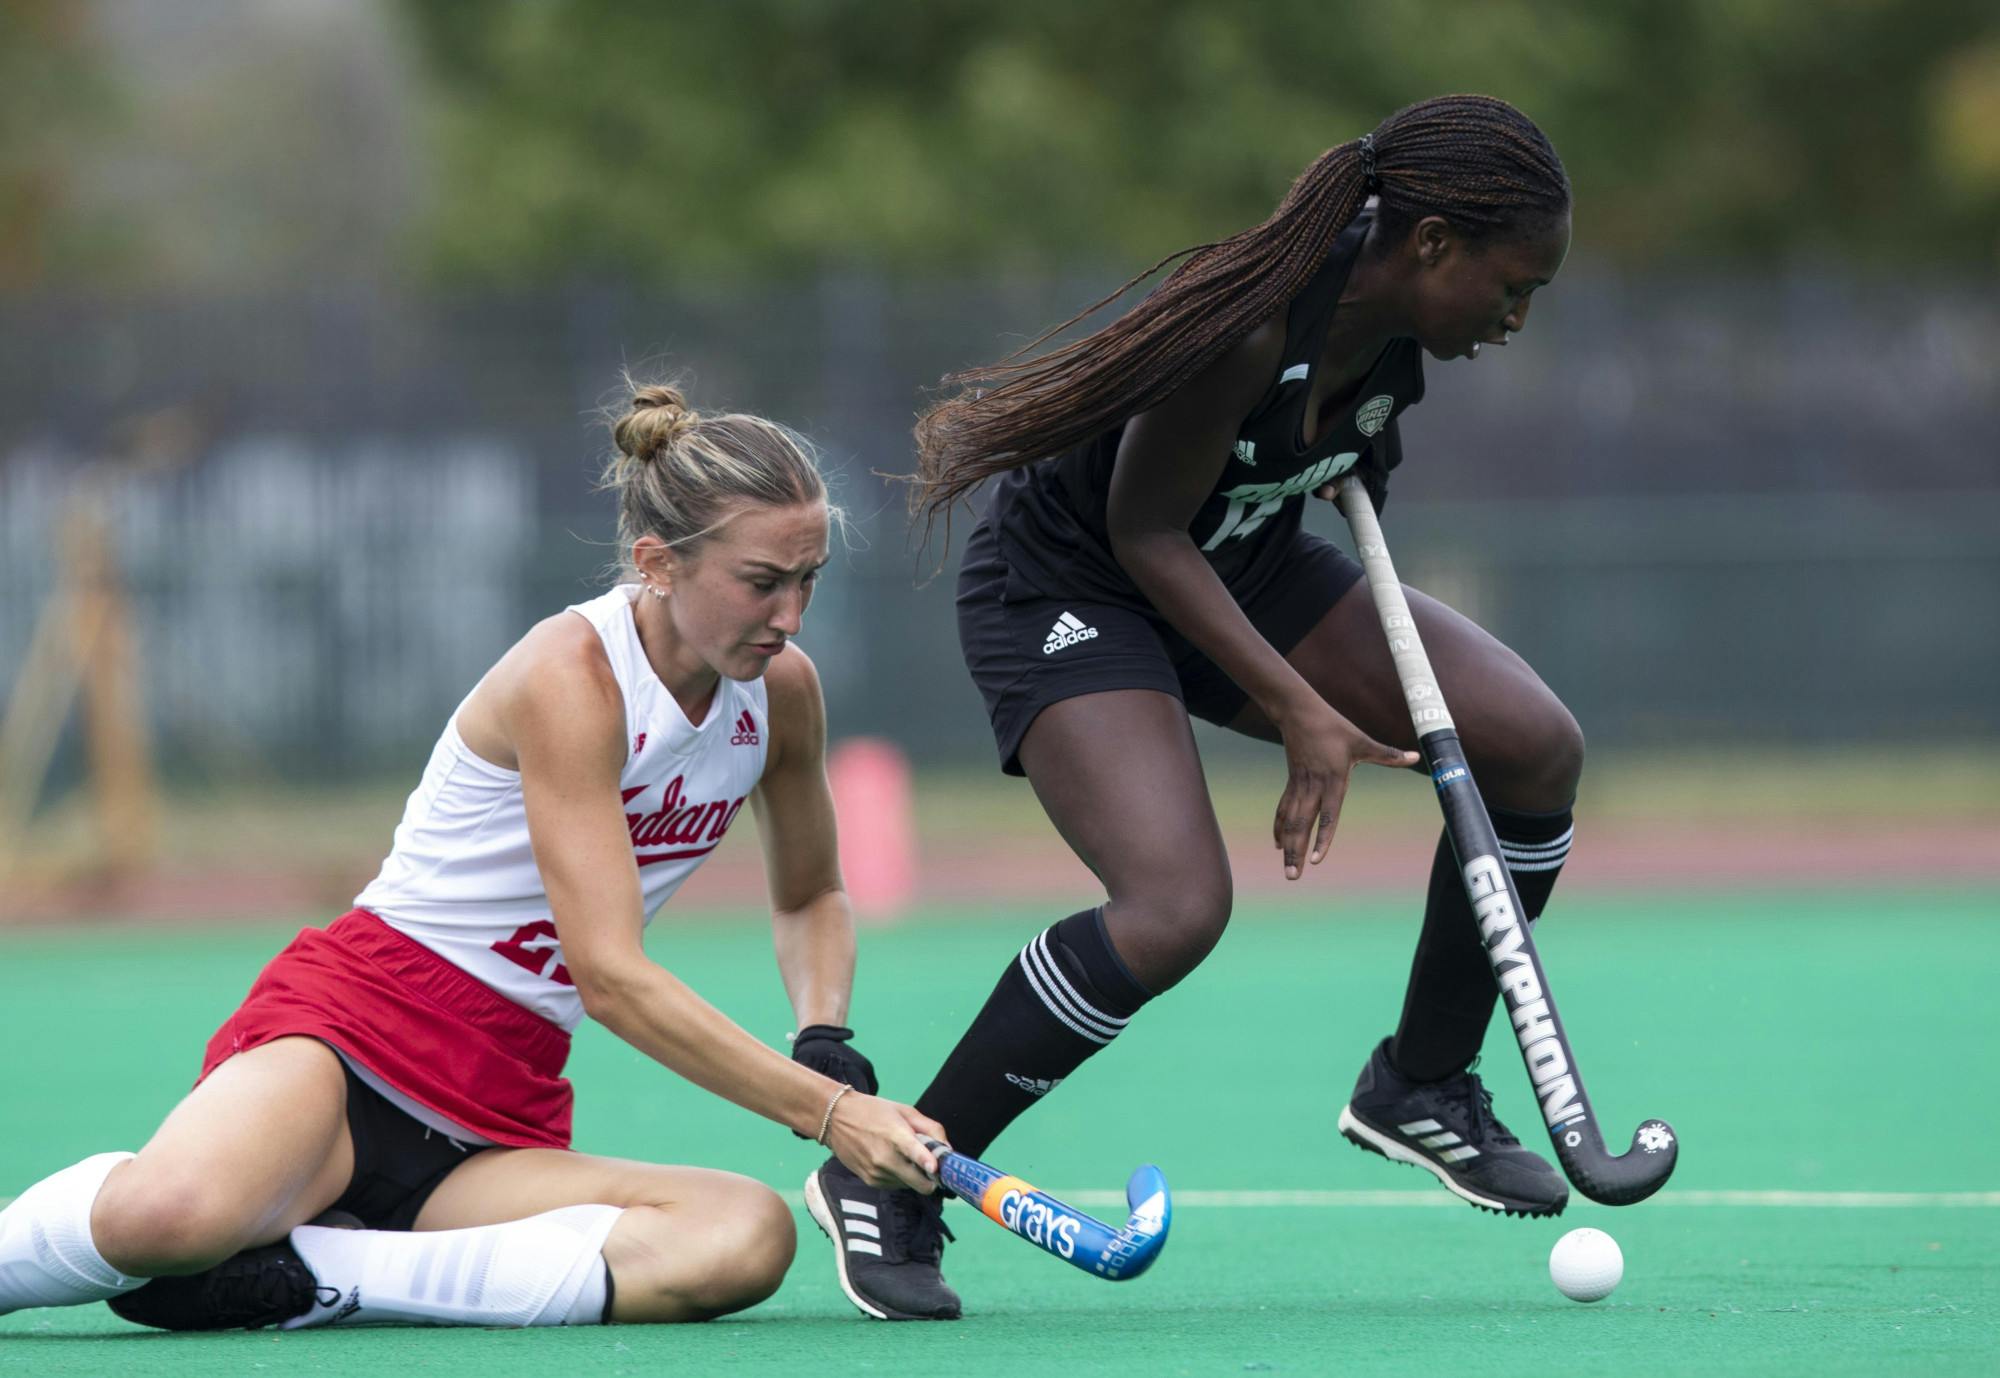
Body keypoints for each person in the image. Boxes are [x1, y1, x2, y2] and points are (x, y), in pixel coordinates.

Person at [804, 94, 1581, 1321]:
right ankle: (891, 1174)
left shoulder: (1399, 337)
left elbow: (1326, 470)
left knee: (1531, 746)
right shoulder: (1245, 325)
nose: (1515, 317)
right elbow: (1142, 528)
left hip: (1244, 557)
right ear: (1432, 243)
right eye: (1512, 286)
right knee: (1172, 908)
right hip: (1074, 580)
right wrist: (1300, 709)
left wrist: (1344, 474)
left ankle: (1421, 1083)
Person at [0, 383, 944, 1332]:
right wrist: (828, 1112)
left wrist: (823, 1037)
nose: (790, 614)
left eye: (809, 579)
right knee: (169, 1219)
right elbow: (610, 978)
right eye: (762, 581)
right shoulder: (572, 676)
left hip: (502, 1093)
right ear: (657, 562)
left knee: (741, 1235)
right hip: (353, 1036)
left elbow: (810, 892)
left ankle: (313, 1274)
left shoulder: (783, 693)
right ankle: (216, 1240)